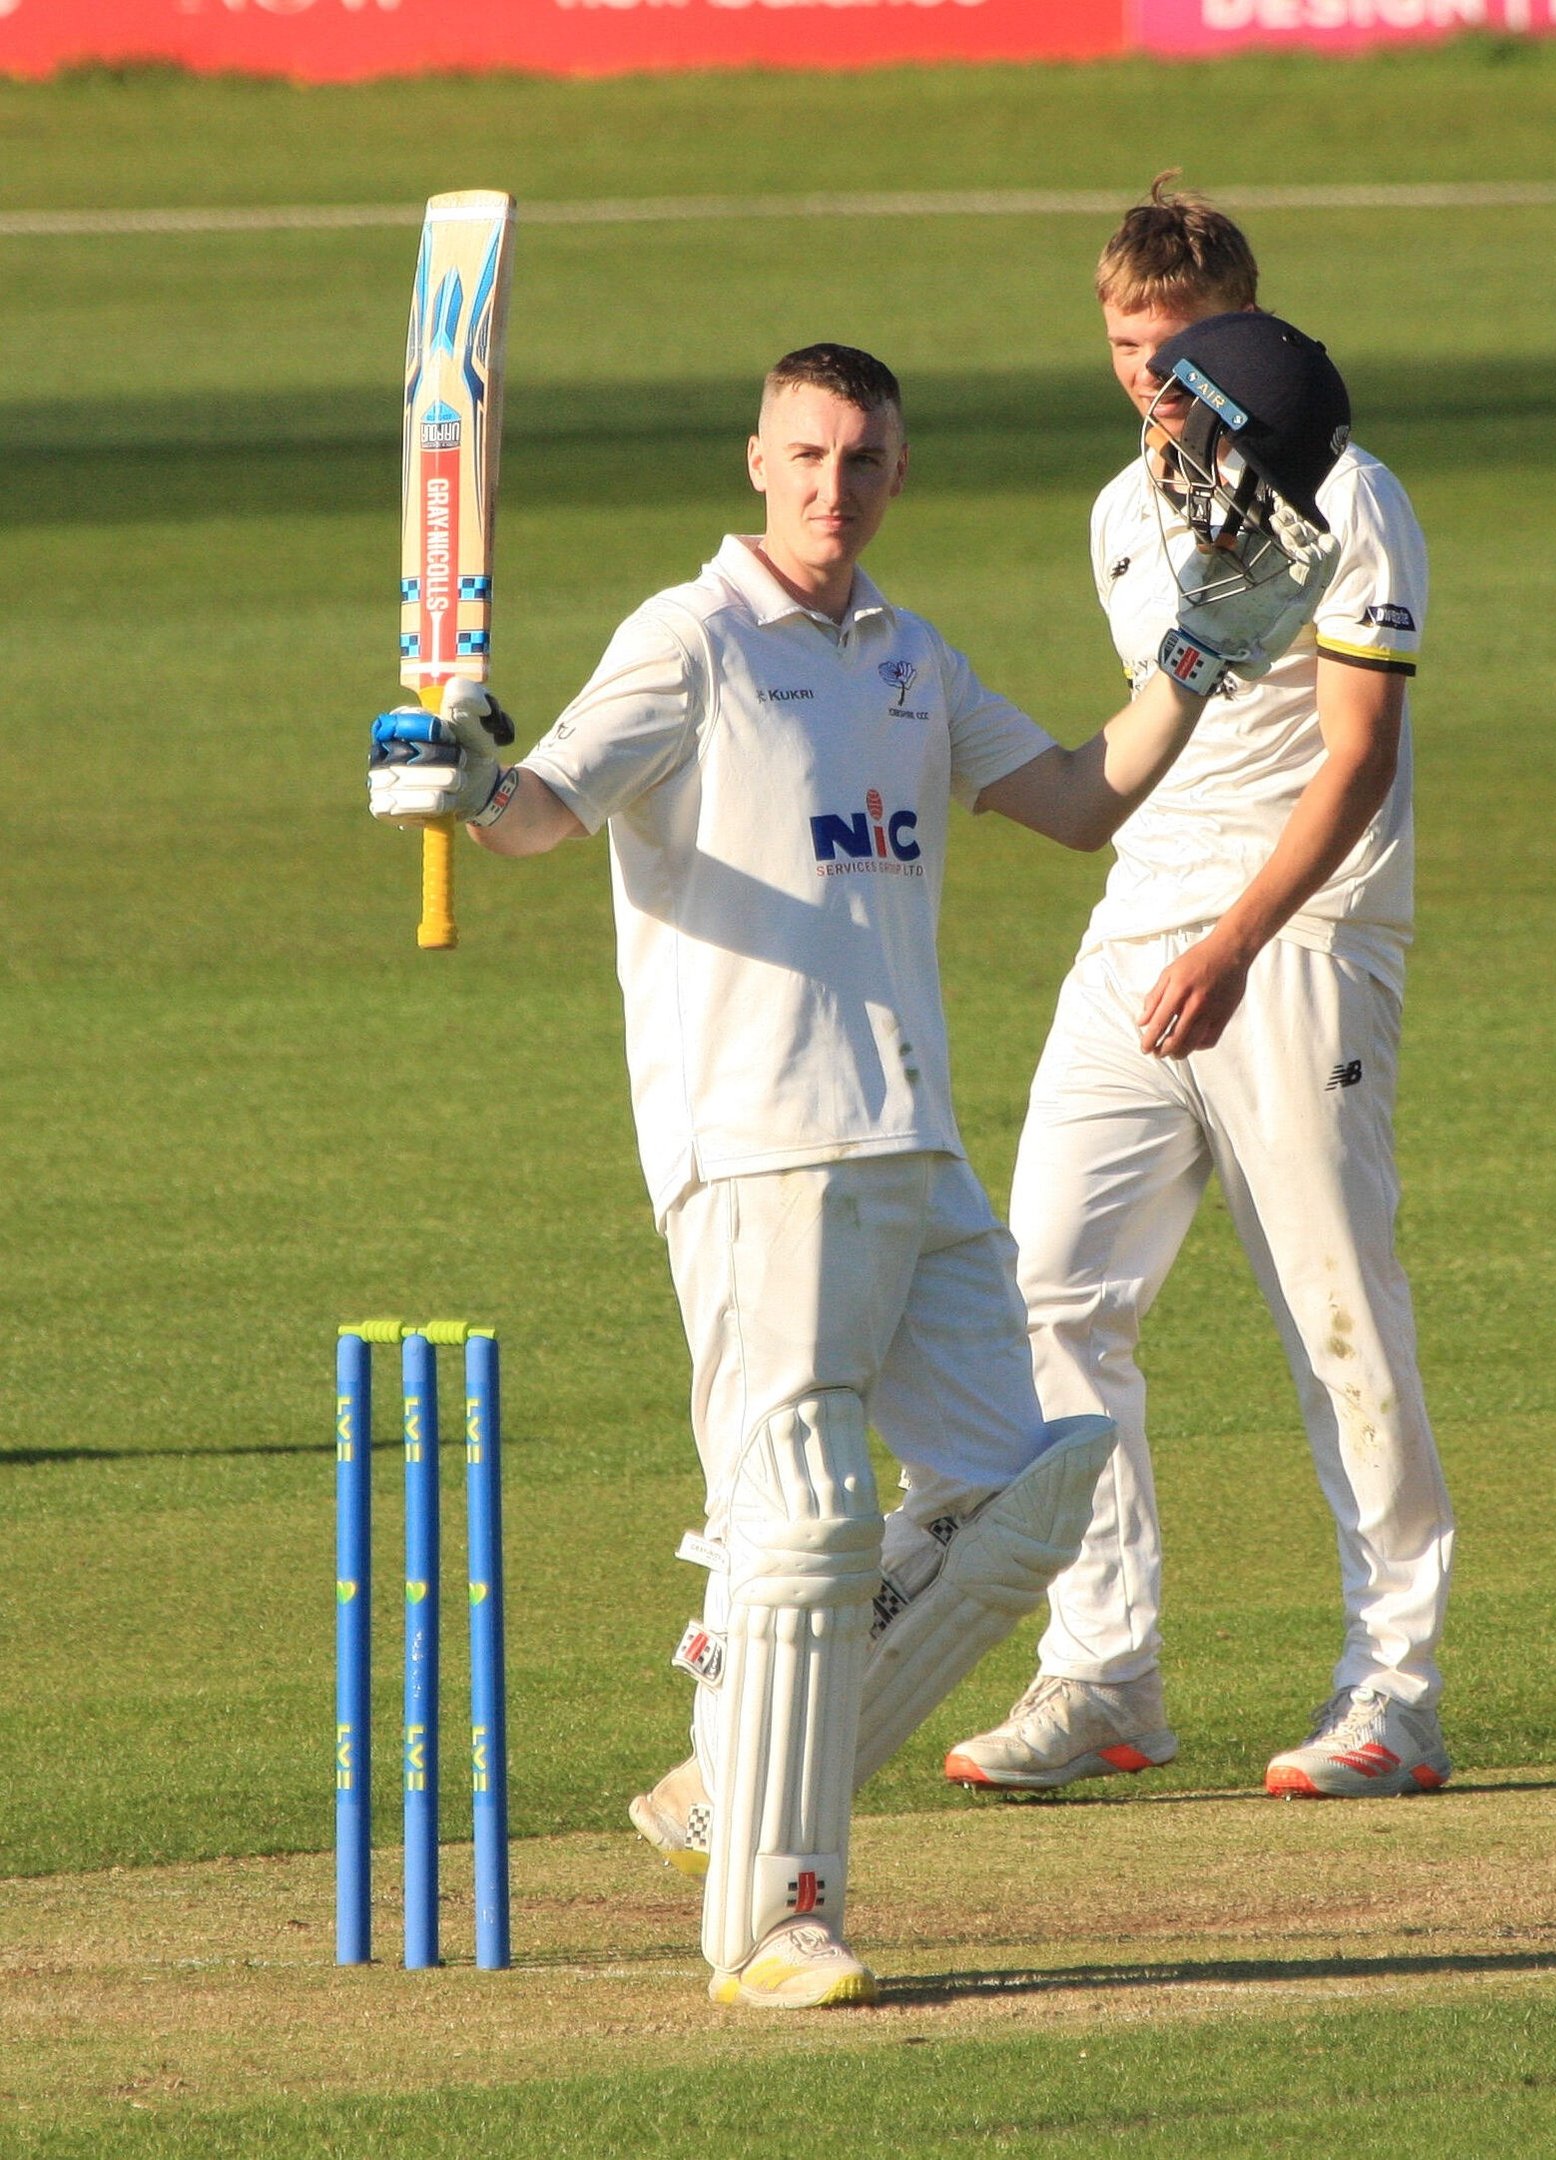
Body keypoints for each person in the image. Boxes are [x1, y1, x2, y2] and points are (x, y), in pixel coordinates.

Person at [368, 341, 1336, 2006]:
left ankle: (729, 1782)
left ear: (897, 471)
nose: (833, 488)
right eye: (807, 456)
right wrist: (451, 779)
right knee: (807, 1530)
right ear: (757, 459)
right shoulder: (688, 641)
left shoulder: (910, 657)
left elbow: (1076, 800)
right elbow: (542, 812)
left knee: (1032, 1490)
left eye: (864, 460)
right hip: (754, 1144)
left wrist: (1187, 663)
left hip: (913, 1138)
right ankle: (770, 1923)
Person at [944, 182, 1457, 1802]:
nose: (1149, 378)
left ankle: (1396, 1688)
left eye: (1174, 348)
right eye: (1121, 346)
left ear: (1237, 331)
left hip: (1297, 942)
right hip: (1133, 931)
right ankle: (1105, 1674)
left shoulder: (1350, 496)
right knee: (1047, 1300)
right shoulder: (1116, 508)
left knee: (1333, 1314)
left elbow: (1356, 760)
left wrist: (1236, 941)